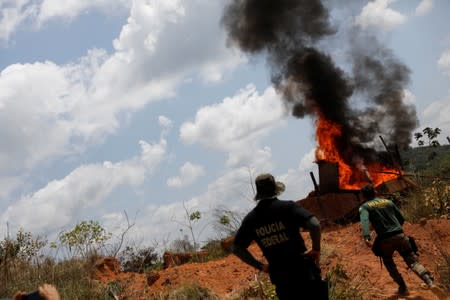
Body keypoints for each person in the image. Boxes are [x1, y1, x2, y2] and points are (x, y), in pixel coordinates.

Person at [232, 173, 327, 300]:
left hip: (280, 277)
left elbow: (236, 248)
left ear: (259, 193)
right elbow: (314, 225)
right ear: (274, 190)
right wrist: (316, 249)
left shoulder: (251, 219)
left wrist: (260, 266)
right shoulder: (288, 207)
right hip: (302, 270)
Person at [358, 184, 435, 296]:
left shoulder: (364, 207)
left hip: (385, 240)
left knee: (388, 262)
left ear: (363, 196)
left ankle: (403, 288)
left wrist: (366, 236)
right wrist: (395, 227)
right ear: (375, 192)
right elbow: (401, 218)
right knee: (412, 260)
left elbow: (364, 222)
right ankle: (429, 281)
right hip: (400, 235)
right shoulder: (388, 202)